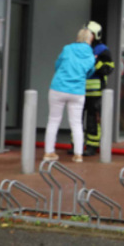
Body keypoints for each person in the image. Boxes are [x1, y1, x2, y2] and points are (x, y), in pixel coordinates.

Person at [43, 28, 96, 163]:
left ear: (78, 37)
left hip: (58, 87)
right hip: (77, 91)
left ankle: (49, 152)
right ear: (90, 39)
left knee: (53, 121)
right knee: (77, 123)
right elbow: (90, 73)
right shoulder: (91, 56)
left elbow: (57, 65)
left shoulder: (67, 49)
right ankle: (78, 154)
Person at [82, 21, 116, 157]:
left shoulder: (102, 50)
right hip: (80, 89)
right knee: (76, 118)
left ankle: (92, 145)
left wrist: (95, 62)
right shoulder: (82, 47)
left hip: (95, 92)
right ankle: (76, 145)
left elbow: (109, 69)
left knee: (92, 119)